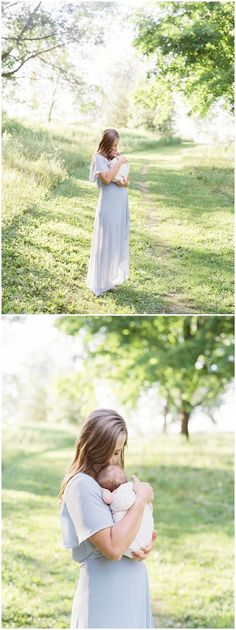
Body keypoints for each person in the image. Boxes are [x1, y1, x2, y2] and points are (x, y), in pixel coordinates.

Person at [59, 409, 157, 629]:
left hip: (132, 589)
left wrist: (142, 543)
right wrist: (140, 500)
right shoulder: (82, 485)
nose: (112, 460)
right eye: (108, 451)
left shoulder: (108, 482)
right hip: (107, 594)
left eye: (117, 452)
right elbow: (113, 548)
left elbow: (125, 529)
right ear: (90, 445)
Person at [87, 129, 130, 297]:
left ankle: (110, 279)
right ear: (106, 143)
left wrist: (123, 182)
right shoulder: (98, 159)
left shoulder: (112, 159)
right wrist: (120, 161)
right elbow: (105, 179)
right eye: (113, 145)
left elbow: (125, 182)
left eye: (117, 145)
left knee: (116, 240)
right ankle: (100, 281)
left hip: (120, 203)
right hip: (108, 205)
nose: (116, 149)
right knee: (106, 241)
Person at [96, 463, 154, 558]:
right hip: (143, 539)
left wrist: (102, 490)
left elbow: (107, 499)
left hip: (127, 543)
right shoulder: (131, 488)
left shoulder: (114, 494)